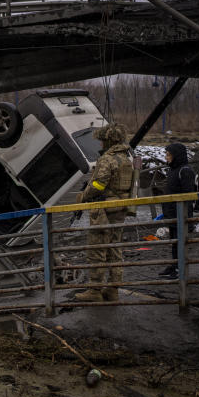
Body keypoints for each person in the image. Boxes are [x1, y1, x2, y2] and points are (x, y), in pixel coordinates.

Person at [72, 123, 134, 302]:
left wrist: (83, 196)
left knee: (97, 248)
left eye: (102, 141)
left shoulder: (107, 159)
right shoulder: (125, 159)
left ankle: (95, 290)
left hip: (104, 210)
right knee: (115, 248)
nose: (100, 145)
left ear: (108, 141)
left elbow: (99, 184)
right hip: (120, 208)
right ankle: (113, 289)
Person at [159, 142, 197, 279]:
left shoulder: (185, 171)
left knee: (181, 243)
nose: (166, 157)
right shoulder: (173, 170)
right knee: (175, 243)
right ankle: (175, 265)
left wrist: (187, 217)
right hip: (172, 214)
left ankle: (180, 269)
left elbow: (188, 196)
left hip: (182, 215)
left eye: (168, 155)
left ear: (177, 156)